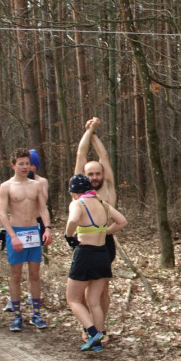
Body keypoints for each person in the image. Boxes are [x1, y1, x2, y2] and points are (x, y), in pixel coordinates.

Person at [64, 174, 126, 352]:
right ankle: (99, 338)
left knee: (73, 299)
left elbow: (74, 220)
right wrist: (106, 232)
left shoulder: (78, 203)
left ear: (74, 192)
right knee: (94, 301)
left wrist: (68, 236)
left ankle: (93, 333)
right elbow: (122, 221)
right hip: (103, 254)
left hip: (85, 254)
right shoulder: (102, 204)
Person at [0, 148, 52, 331]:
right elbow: (2, 213)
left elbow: (43, 209)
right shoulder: (6, 186)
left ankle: (36, 314)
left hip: (33, 232)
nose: (24, 167)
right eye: (20, 163)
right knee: (15, 275)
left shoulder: (36, 185)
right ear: (13, 165)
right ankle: (16, 316)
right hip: (16, 232)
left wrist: (47, 229)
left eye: (27, 163)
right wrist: (12, 236)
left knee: (35, 275)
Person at [74, 118, 117, 339]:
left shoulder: (108, 187)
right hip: (83, 244)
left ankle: (100, 329)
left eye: (97, 173)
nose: (94, 177)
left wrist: (95, 134)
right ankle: (88, 326)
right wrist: (89, 130)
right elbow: (81, 155)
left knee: (101, 291)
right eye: (90, 174)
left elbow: (104, 157)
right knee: (80, 291)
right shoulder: (79, 189)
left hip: (105, 244)